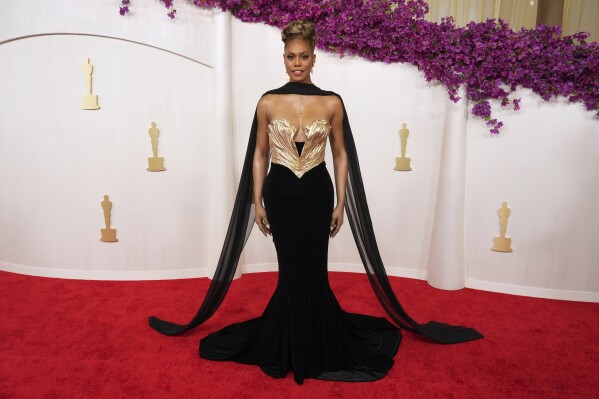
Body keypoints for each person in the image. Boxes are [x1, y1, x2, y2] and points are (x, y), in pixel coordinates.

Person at [149, 20, 483, 385]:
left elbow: (340, 155)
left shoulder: (331, 102)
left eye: (303, 56)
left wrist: (340, 203)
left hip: (316, 194)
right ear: (283, 58)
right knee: (290, 269)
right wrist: (257, 202)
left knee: (313, 269)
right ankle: (291, 338)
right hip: (279, 194)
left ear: (313, 58)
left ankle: (313, 336)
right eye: (291, 56)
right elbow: (259, 155)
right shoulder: (268, 102)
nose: (297, 62)